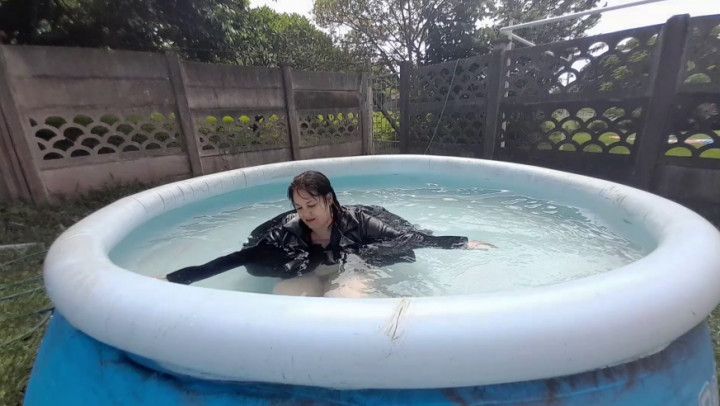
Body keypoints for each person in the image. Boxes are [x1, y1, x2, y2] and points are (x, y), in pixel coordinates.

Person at [165, 171, 494, 297]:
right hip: (314, 271)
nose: (306, 214)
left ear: (329, 200)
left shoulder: (360, 221)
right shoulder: (290, 232)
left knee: (343, 301)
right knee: (286, 293)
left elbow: (410, 239)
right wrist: (179, 278)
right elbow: (237, 259)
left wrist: (462, 243)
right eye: (299, 207)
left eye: (312, 205)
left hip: (351, 269)